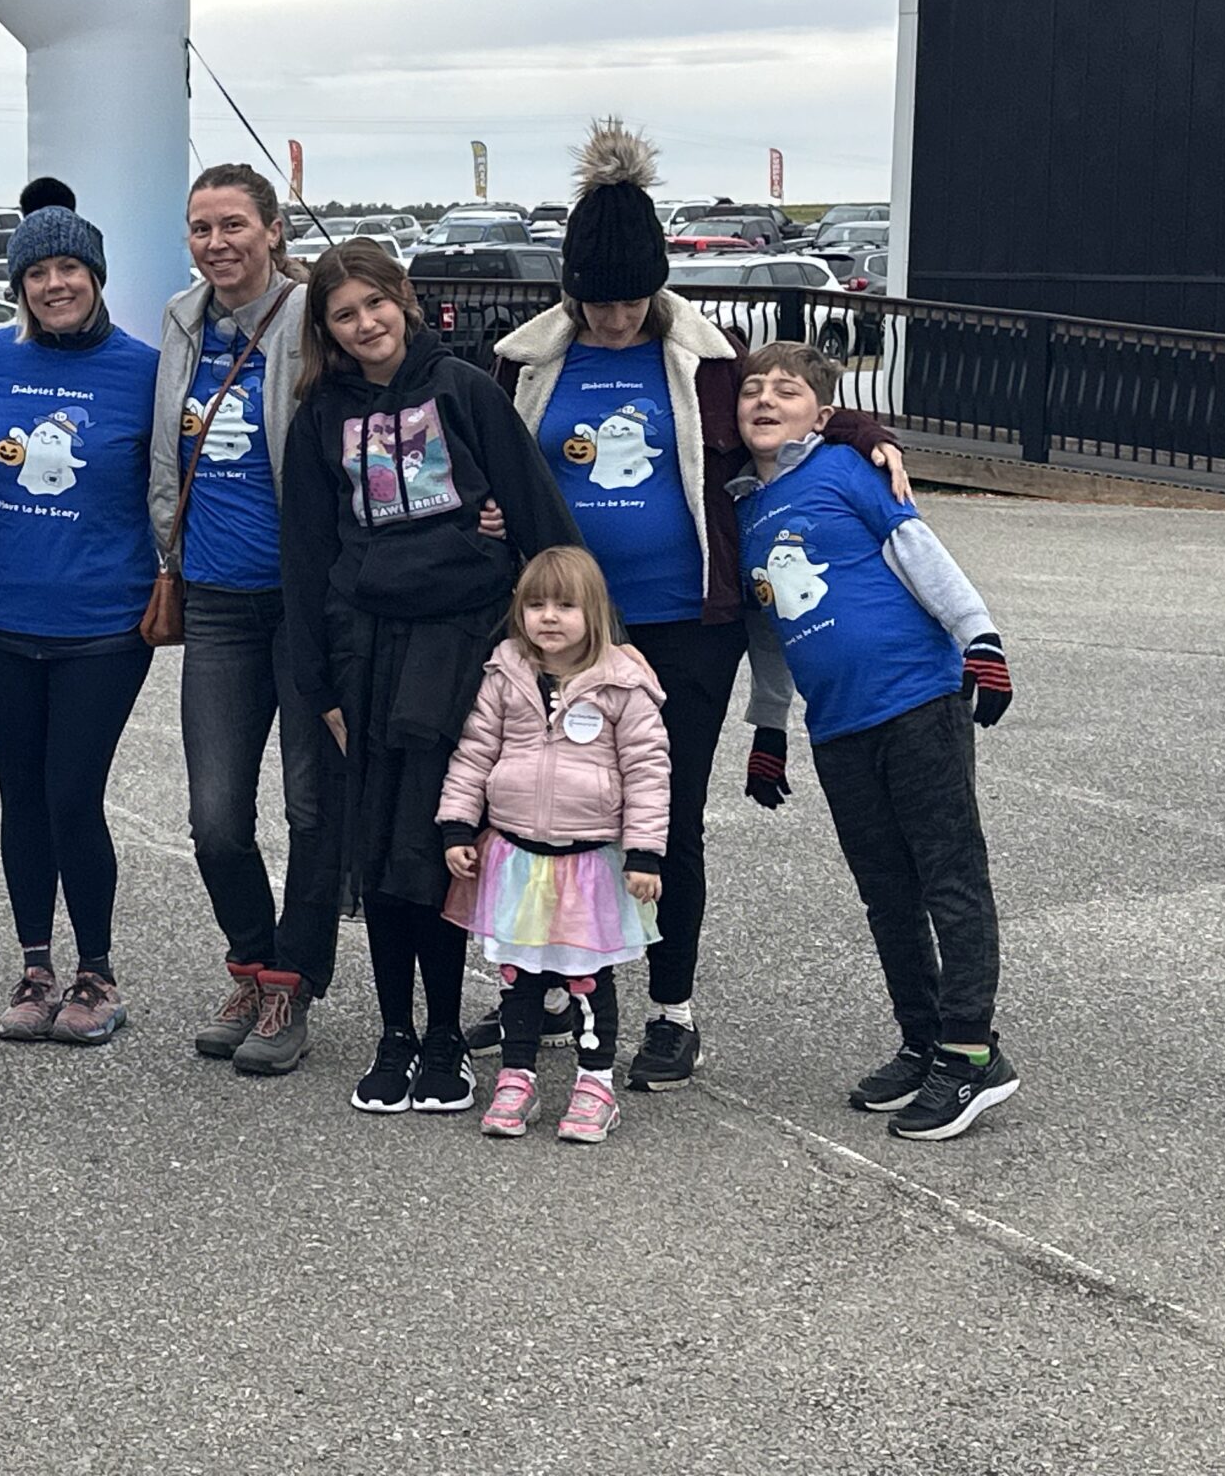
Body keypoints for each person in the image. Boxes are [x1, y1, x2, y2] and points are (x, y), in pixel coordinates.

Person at [486, 118, 907, 1089]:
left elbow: (794, 406)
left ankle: (671, 1012)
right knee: (555, 809)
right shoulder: (526, 362)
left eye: (631, 299)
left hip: (686, 624)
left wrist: (863, 429)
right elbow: (480, 448)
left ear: (659, 284)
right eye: (596, 300)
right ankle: (559, 990)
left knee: (663, 817)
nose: (614, 318)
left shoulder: (710, 361)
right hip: (563, 629)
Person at [281, 240, 582, 1116]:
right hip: (364, 652)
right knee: (377, 852)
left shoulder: (465, 391)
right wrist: (318, 686)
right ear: (326, 329)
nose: (364, 324)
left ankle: (447, 1033)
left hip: (456, 652)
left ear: (403, 300)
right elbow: (306, 554)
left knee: (437, 844)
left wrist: (583, 653)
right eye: (344, 314)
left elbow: (539, 516)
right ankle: (395, 1033)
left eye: (375, 304)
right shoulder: (320, 415)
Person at [731, 340, 1020, 1142]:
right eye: (752, 389)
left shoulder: (847, 468)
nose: (764, 400)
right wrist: (769, 728)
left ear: (821, 415)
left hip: (916, 699)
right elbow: (767, 630)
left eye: (785, 390)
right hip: (838, 725)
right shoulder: (743, 512)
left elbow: (916, 548)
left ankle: (971, 1051)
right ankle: (923, 1039)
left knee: (950, 877)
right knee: (886, 892)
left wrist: (979, 636)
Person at [0, 206, 159, 1045]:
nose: (55, 284)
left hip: (104, 623)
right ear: (19, 286)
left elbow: (174, 479)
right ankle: (36, 967)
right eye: (37, 273)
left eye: (70, 269)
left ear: (96, 277)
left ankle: (96, 974)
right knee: (22, 794)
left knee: (72, 792)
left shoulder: (143, 370)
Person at [144, 164, 337, 1075]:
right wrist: (167, 548)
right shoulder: (183, 320)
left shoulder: (312, 316)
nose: (217, 243)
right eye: (201, 227)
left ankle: (292, 982)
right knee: (215, 817)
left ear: (273, 229)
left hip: (305, 602)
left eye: (233, 225)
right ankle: (252, 965)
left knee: (310, 807)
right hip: (217, 600)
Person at [437, 547, 667, 1142]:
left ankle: (596, 1083)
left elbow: (647, 771)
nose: (549, 617)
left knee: (587, 978)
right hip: (516, 857)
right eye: (535, 605)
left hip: (588, 861)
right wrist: (458, 824)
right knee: (520, 976)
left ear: (595, 612)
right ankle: (518, 1076)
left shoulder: (623, 685)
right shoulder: (505, 675)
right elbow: (474, 753)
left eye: (565, 605)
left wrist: (644, 853)